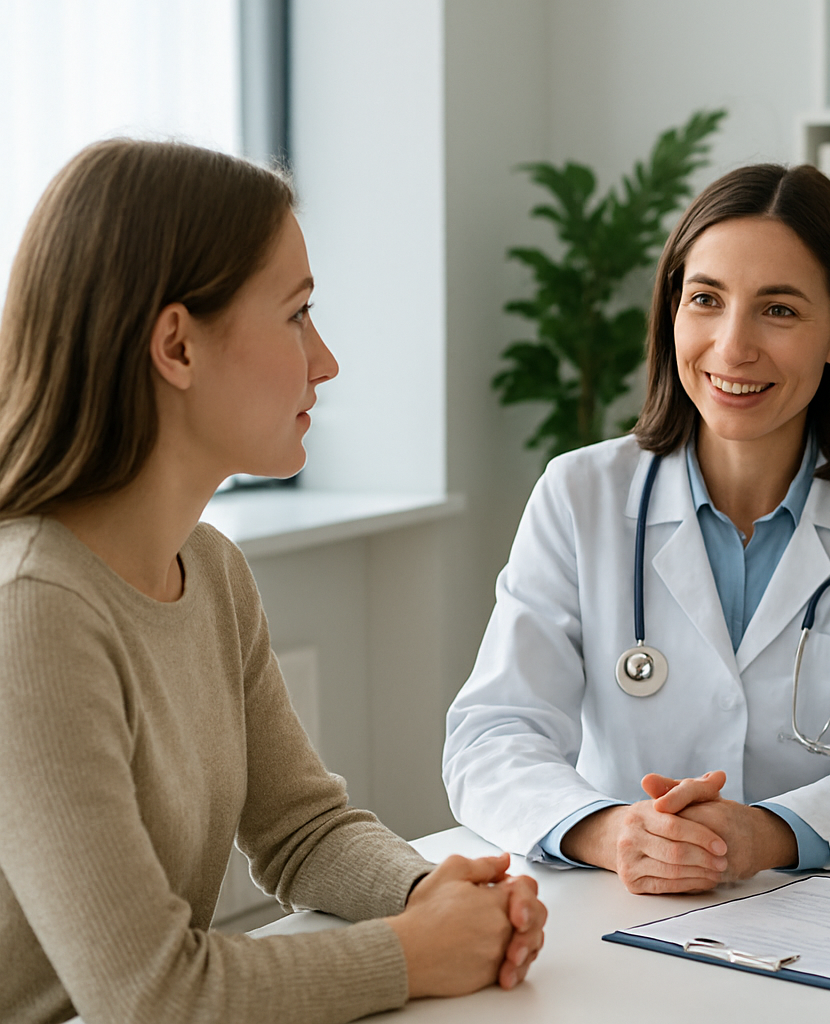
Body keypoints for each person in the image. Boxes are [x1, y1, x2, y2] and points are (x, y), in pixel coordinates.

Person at [0, 140, 546, 1024]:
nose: (324, 361)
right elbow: (151, 995)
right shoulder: (31, 611)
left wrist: (433, 894)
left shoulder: (209, 570)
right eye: (297, 315)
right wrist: (412, 956)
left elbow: (303, 831)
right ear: (176, 344)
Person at [443, 163, 830, 894]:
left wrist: (767, 834)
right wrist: (609, 830)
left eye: (780, 310)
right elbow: (492, 736)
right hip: (620, 900)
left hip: (824, 907)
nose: (732, 348)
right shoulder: (580, 494)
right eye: (706, 300)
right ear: (672, 311)